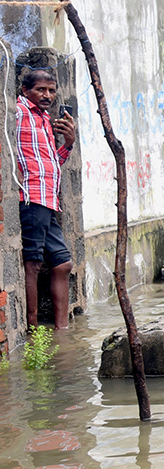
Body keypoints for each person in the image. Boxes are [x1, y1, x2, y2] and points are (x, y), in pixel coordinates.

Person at [15, 68, 76, 330]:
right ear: (25, 90)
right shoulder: (18, 112)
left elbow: (53, 162)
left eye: (51, 90)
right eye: (41, 89)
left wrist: (69, 143)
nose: (47, 95)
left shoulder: (43, 119)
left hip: (49, 200)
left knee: (63, 264)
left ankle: (62, 331)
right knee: (33, 262)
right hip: (31, 196)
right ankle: (32, 328)